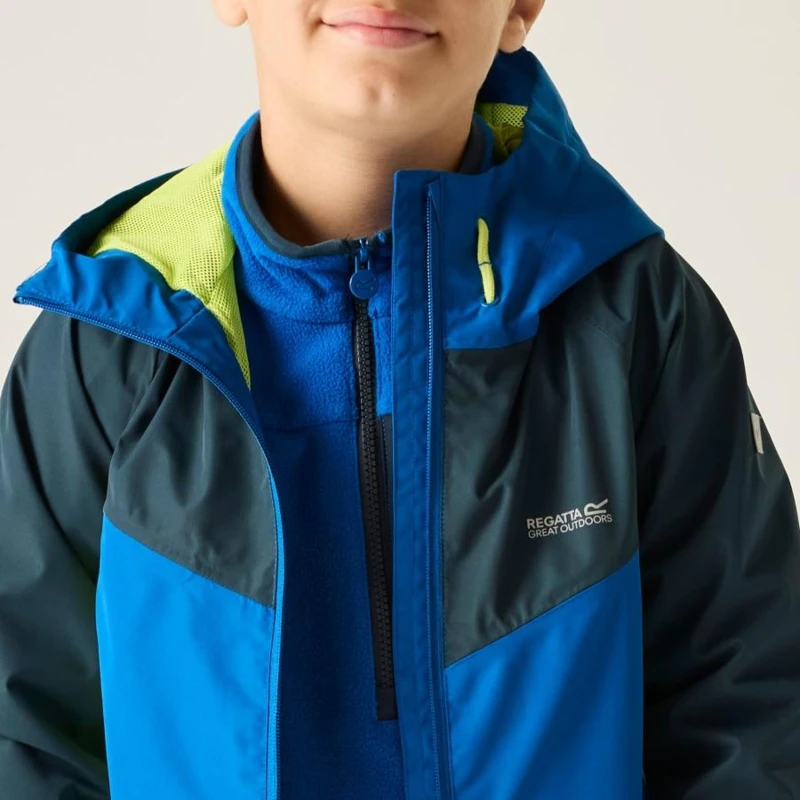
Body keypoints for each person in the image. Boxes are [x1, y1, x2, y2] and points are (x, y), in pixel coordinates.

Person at [1, 0, 798, 797]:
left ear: (522, 6)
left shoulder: (633, 321)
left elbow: (749, 707)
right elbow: (25, 735)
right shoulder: (108, 340)